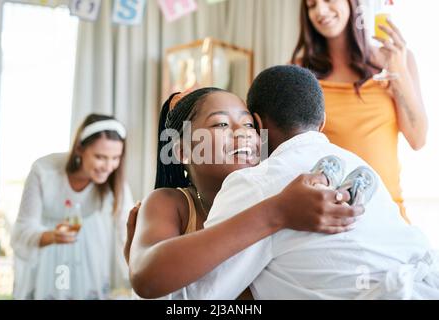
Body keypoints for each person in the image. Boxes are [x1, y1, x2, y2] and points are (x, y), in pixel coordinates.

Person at [173, 65, 439, 299]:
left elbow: (193, 298)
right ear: (322, 122)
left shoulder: (252, 185)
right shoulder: (359, 164)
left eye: (244, 125)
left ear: (256, 124)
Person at [125, 87, 363, 299]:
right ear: (183, 151)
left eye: (249, 124)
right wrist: (278, 212)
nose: (243, 132)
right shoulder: (169, 202)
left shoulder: (274, 191)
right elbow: (147, 277)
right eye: (220, 124)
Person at [290, 0, 428, 222]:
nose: (320, 11)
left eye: (327, 0)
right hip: (333, 218)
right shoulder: (298, 72)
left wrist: (399, 70)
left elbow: (418, 138)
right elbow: (289, 149)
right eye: (311, 5)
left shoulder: (398, 60)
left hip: (390, 215)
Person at [11, 114, 134, 299]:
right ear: (79, 149)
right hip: (47, 257)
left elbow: (126, 231)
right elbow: (22, 229)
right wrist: (53, 236)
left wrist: (139, 272)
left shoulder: (115, 182)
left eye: (115, 158)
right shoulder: (44, 170)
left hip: (89, 259)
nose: (108, 166)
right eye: (100, 157)